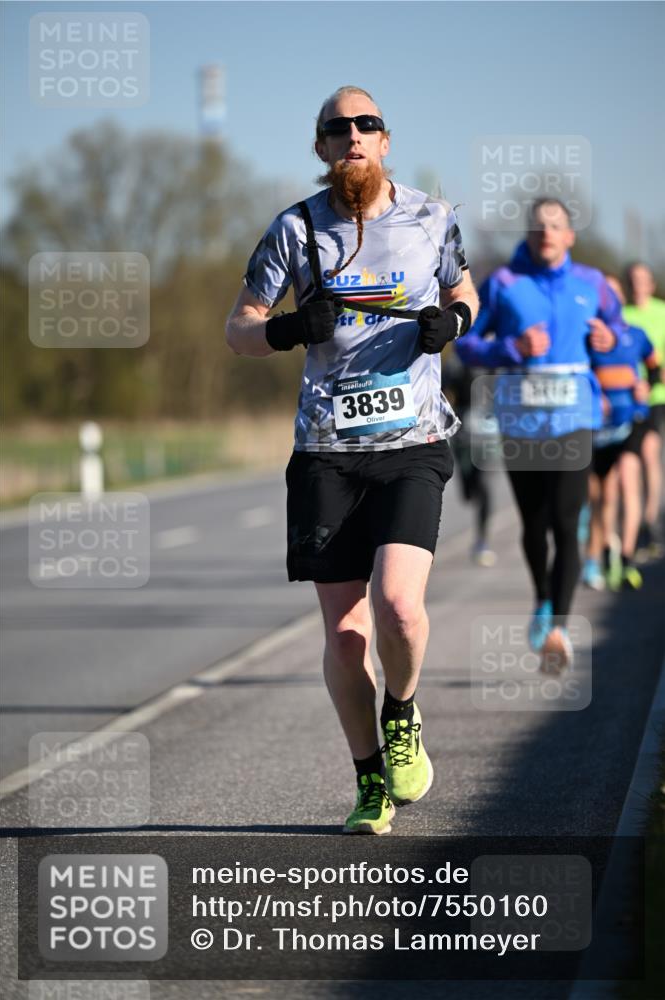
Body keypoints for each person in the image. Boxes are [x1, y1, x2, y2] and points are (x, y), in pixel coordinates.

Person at [226, 86, 478, 835]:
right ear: (322, 147)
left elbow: (466, 291)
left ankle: (401, 712)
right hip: (326, 455)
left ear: (385, 140)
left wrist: (451, 321)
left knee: (399, 606)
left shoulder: (432, 217)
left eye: (366, 124)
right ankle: (370, 779)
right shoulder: (296, 230)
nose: (353, 136)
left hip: (412, 445)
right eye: (338, 129)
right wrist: (287, 329)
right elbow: (237, 328)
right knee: (344, 635)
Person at [455, 199, 620, 670]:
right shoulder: (505, 283)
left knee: (567, 522)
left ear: (570, 235)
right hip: (521, 422)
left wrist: (612, 341)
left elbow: (623, 334)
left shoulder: (592, 284)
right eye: (537, 226)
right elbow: (467, 344)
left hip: (574, 419)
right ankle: (543, 598)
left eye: (555, 225)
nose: (545, 232)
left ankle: (559, 628)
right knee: (534, 524)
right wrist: (512, 347)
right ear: (527, 235)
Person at [584, 274, 661, 591]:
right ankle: (604, 554)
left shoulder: (636, 335)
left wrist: (648, 385)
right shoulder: (586, 337)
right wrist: (593, 395)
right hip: (599, 427)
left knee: (629, 480)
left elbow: (654, 367)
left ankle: (628, 559)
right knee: (604, 495)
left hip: (633, 420)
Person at [622, 262, 665, 558]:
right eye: (634, 280)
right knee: (628, 464)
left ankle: (650, 521)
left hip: (656, 395)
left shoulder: (661, 313)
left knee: (650, 453)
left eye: (643, 279)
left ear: (651, 284)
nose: (639, 284)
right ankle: (634, 522)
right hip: (626, 397)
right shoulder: (622, 316)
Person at [442, 347, 498, 566]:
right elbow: (444, 390)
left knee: (485, 485)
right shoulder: (457, 358)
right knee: (469, 492)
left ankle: (482, 540)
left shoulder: (498, 356)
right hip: (464, 435)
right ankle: (471, 490)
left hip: (490, 433)